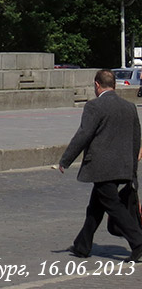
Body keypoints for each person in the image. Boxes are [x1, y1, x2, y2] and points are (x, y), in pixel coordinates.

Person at [59, 69, 142, 261]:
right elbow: (136, 138)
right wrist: (132, 170)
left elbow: (83, 135)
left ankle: (138, 242)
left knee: (113, 205)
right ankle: (82, 245)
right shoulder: (129, 106)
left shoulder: (94, 106)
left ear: (97, 84)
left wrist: (66, 160)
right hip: (123, 166)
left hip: (102, 167)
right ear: (114, 84)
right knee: (95, 206)